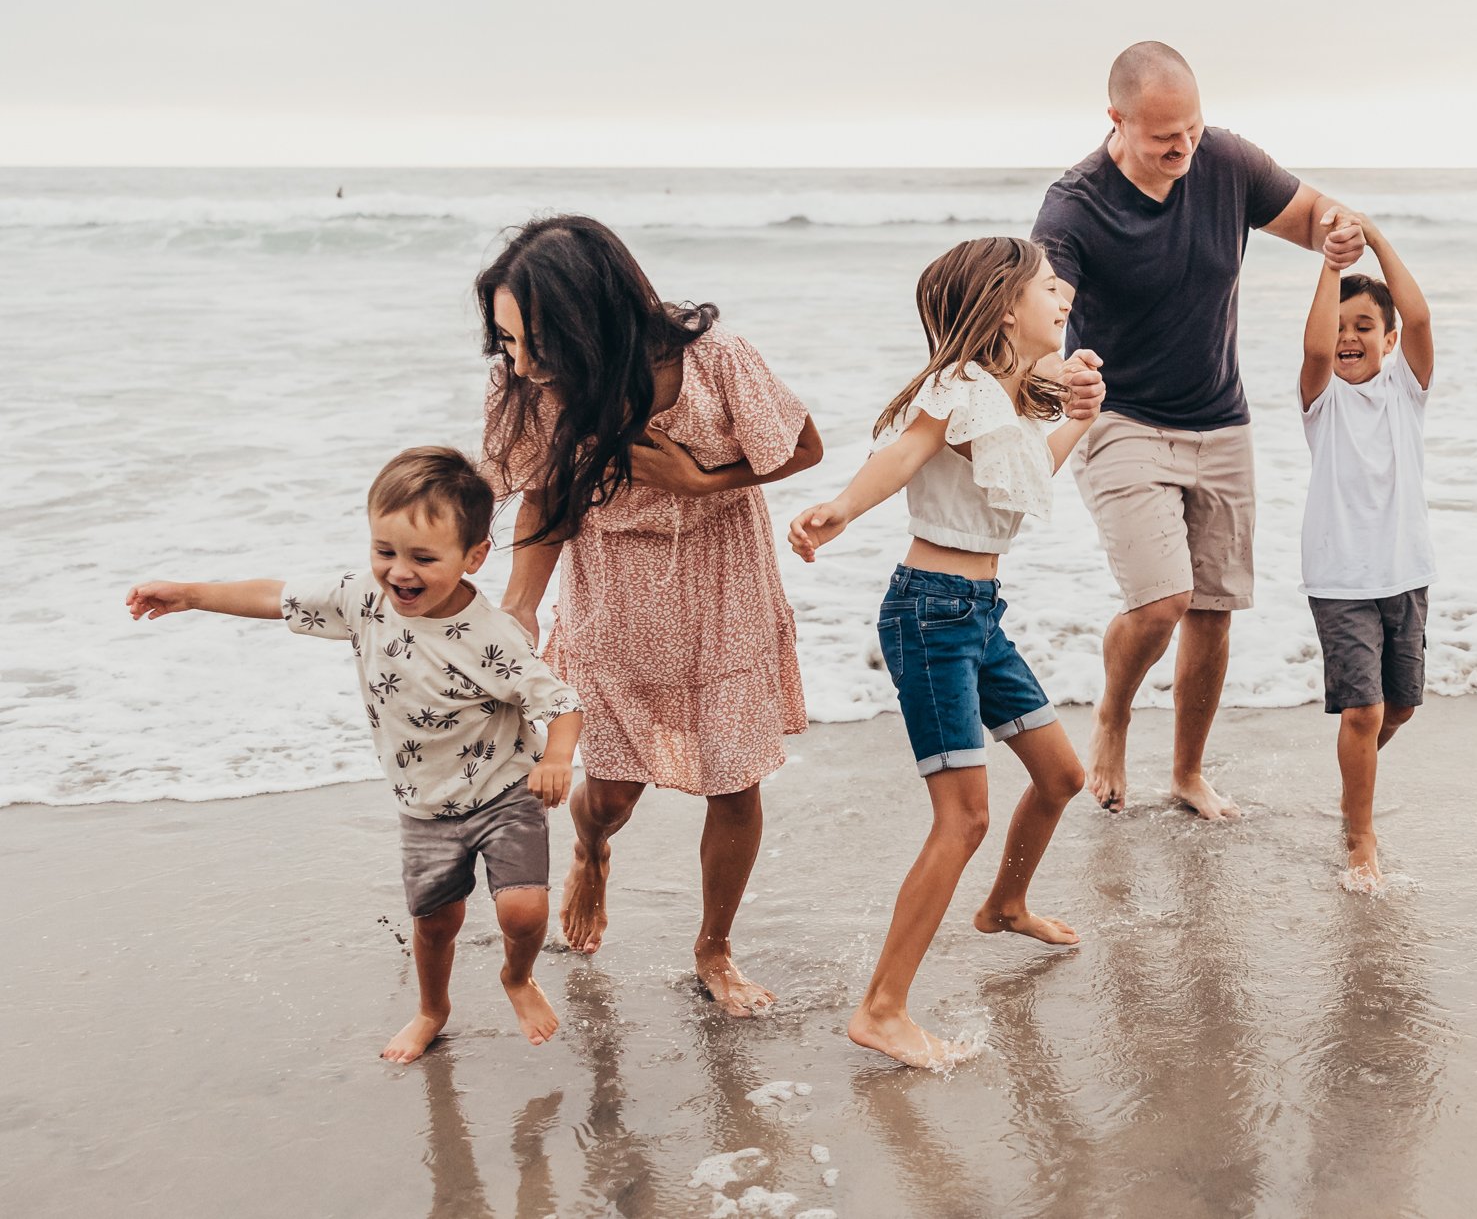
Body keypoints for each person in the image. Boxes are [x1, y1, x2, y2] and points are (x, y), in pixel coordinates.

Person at [125, 447, 585, 1063]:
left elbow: (559, 702)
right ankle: (432, 1009)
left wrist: (556, 758)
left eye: (423, 557)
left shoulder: (491, 636)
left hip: (504, 791)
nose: (399, 572)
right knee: (434, 923)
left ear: (473, 557)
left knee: (523, 911)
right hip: (423, 804)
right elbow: (277, 596)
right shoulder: (363, 600)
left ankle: (517, 977)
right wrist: (192, 593)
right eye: (384, 551)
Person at [479, 214, 822, 1016]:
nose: (521, 363)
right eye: (506, 342)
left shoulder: (715, 361)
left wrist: (701, 479)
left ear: (594, 318)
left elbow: (800, 446)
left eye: (536, 341)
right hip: (616, 596)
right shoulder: (528, 388)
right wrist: (519, 608)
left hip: (722, 589)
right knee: (609, 795)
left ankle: (715, 947)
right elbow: (543, 495)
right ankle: (592, 854)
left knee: (735, 782)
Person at [786, 236, 1106, 1068]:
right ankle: (881, 1008)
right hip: (929, 616)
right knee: (962, 816)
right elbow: (899, 458)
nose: (1064, 292)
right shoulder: (958, 388)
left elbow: (1027, 478)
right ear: (1005, 307)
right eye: (1047, 285)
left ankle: (1003, 904)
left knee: (1062, 776)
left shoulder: (1007, 394)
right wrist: (841, 510)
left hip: (977, 612)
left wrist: (1076, 414)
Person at [1031, 41, 1366, 819]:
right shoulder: (1074, 206)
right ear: (1116, 121)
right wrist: (1058, 376)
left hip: (1220, 416)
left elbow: (1316, 215)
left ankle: (1186, 772)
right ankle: (1112, 716)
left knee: (1214, 607)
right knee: (1162, 600)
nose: (1183, 147)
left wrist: (1338, 232)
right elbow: (1034, 325)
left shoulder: (1227, 162)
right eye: (1162, 136)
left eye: (1192, 127)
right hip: (1118, 416)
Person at [1296, 217, 1436, 890]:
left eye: (1363, 326)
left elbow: (1420, 314)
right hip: (1340, 575)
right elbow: (1317, 347)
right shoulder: (1322, 400)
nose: (1348, 337)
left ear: (1388, 340)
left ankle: (1355, 782)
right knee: (1364, 710)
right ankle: (1360, 833)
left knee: (1398, 707)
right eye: (1341, 324)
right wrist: (1331, 265)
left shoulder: (1406, 390)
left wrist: (1377, 241)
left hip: (1404, 572)